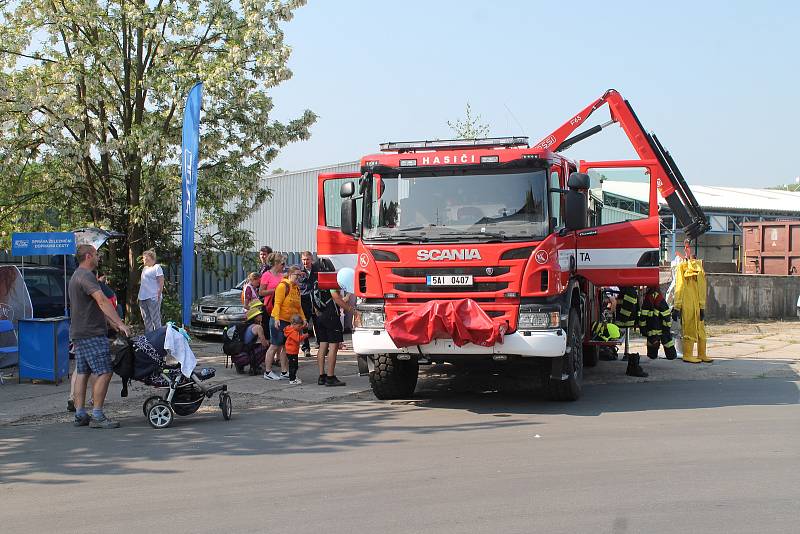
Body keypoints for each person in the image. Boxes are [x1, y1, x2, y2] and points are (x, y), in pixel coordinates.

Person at [69, 244, 131, 428]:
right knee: (105, 371)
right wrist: (119, 322)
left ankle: (80, 414)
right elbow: (102, 301)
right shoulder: (86, 276)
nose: (98, 258)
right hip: (92, 333)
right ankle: (97, 414)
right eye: (96, 255)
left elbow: (93, 307)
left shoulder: (75, 275)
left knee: (83, 372)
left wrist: (111, 323)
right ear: (88, 256)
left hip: (79, 332)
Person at [265, 265, 306, 380]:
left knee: (284, 347)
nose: (298, 278)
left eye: (300, 275)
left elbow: (299, 307)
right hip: (279, 319)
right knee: (274, 345)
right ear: (290, 274)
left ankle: (284, 371)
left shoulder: (296, 288)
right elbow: (277, 303)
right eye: (296, 275)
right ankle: (268, 372)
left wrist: (304, 319)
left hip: (289, 322)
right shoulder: (283, 286)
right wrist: (277, 319)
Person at [314, 283, 353, 387]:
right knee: (333, 347)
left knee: (322, 346)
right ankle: (330, 377)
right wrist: (351, 310)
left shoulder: (317, 284)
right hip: (332, 317)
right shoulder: (331, 284)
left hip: (320, 317)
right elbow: (336, 299)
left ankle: (321, 376)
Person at [259, 252, 286, 365]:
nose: (284, 266)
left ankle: (278, 358)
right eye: (282, 263)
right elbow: (261, 292)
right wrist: (275, 291)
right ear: (276, 263)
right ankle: (267, 359)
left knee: (280, 334)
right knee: (271, 336)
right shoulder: (266, 275)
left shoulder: (281, 276)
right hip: (269, 307)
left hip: (280, 308)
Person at [232, 301, 269, 374]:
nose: (261, 316)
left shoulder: (246, 325)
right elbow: (264, 343)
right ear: (255, 318)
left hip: (239, 353)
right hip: (246, 353)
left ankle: (240, 366)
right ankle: (254, 367)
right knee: (267, 347)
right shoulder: (258, 327)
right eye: (259, 315)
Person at [138, 249, 164, 332]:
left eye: (145, 258)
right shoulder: (145, 268)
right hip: (142, 297)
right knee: (146, 319)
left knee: (155, 319)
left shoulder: (157, 267)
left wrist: (158, 295)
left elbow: (161, 281)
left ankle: (159, 338)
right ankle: (149, 337)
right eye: (143, 258)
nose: (144, 260)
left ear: (151, 258)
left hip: (153, 297)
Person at [298, 251, 317, 357]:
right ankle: (306, 348)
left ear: (311, 260)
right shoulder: (299, 271)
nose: (305, 262)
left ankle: (321, 345)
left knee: (318, 324)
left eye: (307, 259)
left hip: (316, 301)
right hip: (304, 301)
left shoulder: (317, 269)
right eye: (304, 260)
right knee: (304, 326)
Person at [283, 314, 309, 385]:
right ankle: (292, 379)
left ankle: (293, 377)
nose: (300, 328)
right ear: (294, 324)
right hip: (292, 351)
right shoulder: (293, 332)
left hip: (291, 351)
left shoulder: (290, 329)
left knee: (294, 365)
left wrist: (302, 326)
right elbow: (298, 339)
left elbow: (298, 329)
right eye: (299, 326)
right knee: (293, 366)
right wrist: (305, 336)